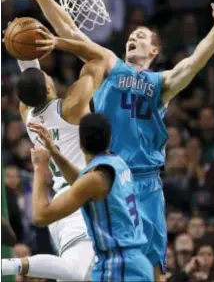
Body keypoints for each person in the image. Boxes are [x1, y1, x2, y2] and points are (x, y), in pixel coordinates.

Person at [7, 0, 214, 282]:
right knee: (105, 266)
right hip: (109, 176)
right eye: (132, 35)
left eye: (142, 36)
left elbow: (191, 64)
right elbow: (71, 32)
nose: (134, 36)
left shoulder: (162, 84)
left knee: (154, 271)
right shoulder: (110, 65)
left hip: (145, 182)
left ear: (156, 50)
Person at [2, 29, 107, 280]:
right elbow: (98, 60)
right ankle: (8, 266)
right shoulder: (71, 106)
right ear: (49, 85)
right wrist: (56, 42)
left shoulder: (26, 112)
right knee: (75, 273)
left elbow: (30, 75)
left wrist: (19, 37)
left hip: (61, 203)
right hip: (78, 200)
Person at [29, 113, 153, 282]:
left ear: (80, 144)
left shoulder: (95, 180)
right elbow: (80, 182)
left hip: (118, 267)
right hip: (136, 263)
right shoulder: (117, 163)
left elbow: (40, 217)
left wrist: (39, 167)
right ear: (109, 139)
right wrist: (53, 151)